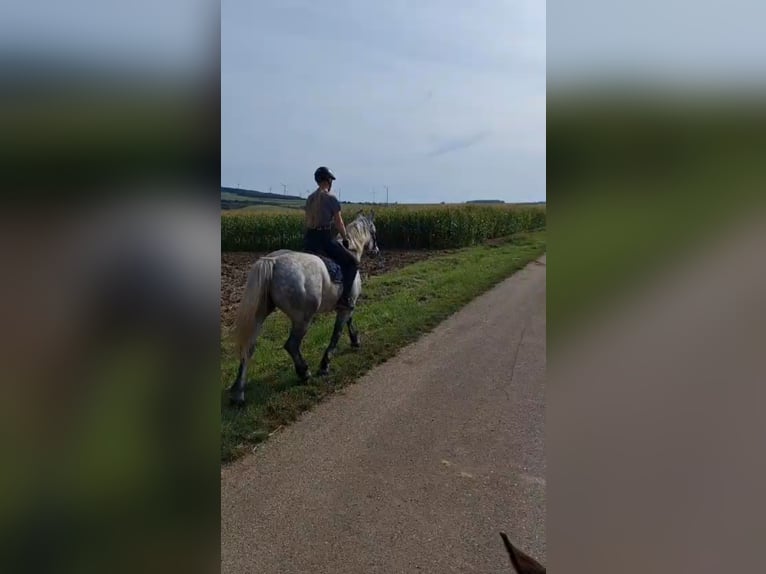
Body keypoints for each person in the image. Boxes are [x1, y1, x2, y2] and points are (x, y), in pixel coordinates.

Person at [303, 166, 359, 310]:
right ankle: (344, 299)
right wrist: (345, 237)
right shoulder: (331, 198)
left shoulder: (309, 199)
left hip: (309, 240)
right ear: (328, 180)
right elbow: (339, 222)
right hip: (324, 240)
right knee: (352, 263)